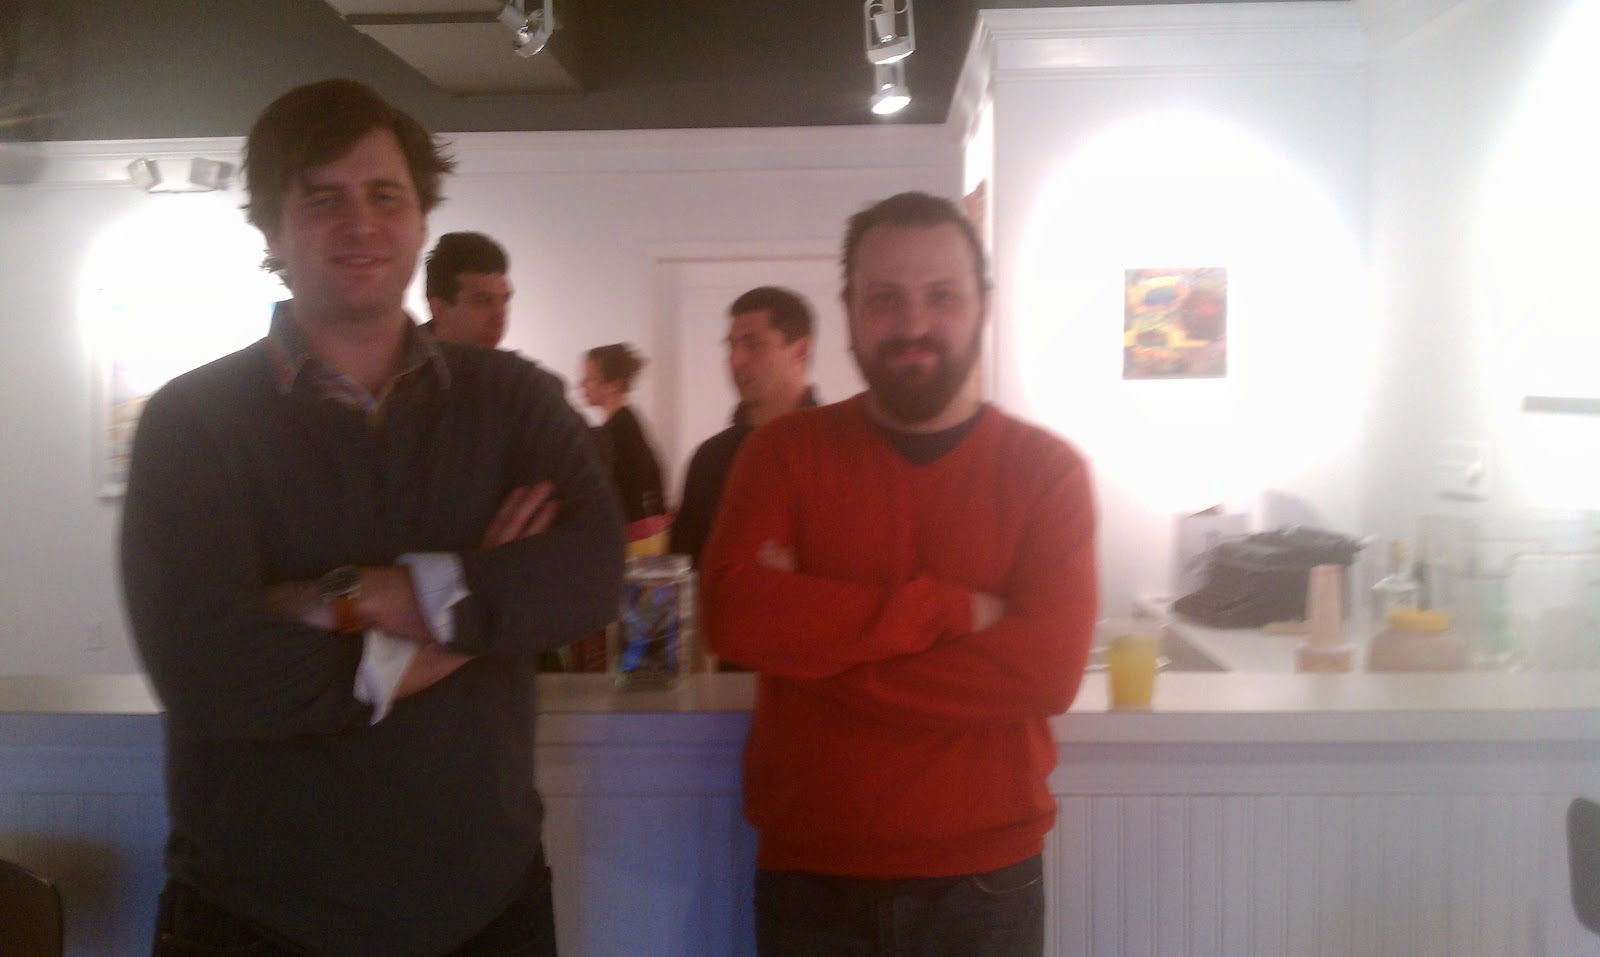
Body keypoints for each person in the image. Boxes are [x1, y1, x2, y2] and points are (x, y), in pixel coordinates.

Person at [119, 78, 624, 957]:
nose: (361, 224)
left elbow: (590, 574)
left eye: (386, 195)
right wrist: (479, 607)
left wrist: (349, 598)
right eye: (323, 199)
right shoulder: (190, 423)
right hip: (254, 919)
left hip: (488, 911)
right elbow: (210, 675)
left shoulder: (515, 399)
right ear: (272, 231)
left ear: (421, 221)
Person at [700, 191, 1098, 957]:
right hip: (811, 875)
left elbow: (1047, 672)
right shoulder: (781, 452)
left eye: (941, 295)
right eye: (884, 298)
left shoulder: (1047, 472)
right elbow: (735, 616)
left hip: (985, 883)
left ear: (983, 307)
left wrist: (815, 644)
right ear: (849, 313)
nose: (913, 324)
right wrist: (950, 612)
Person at [668, 286, 818, 567]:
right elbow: (684, 571)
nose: (735, 361)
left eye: (753, 344)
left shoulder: (839, 454)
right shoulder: (709, 460)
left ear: (800, 351)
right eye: (731, 346)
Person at [578, 343, 665, 528]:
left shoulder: (617, 433)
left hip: (631, 537)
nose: (581, 385)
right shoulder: (628, 424)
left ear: (613, 386)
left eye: (589, 378)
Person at [423, 230, 513, 348]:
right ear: (440, 310)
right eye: (483, 301)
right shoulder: (400, 356)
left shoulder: (501, 361)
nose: (500, 319)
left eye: (504, 300)